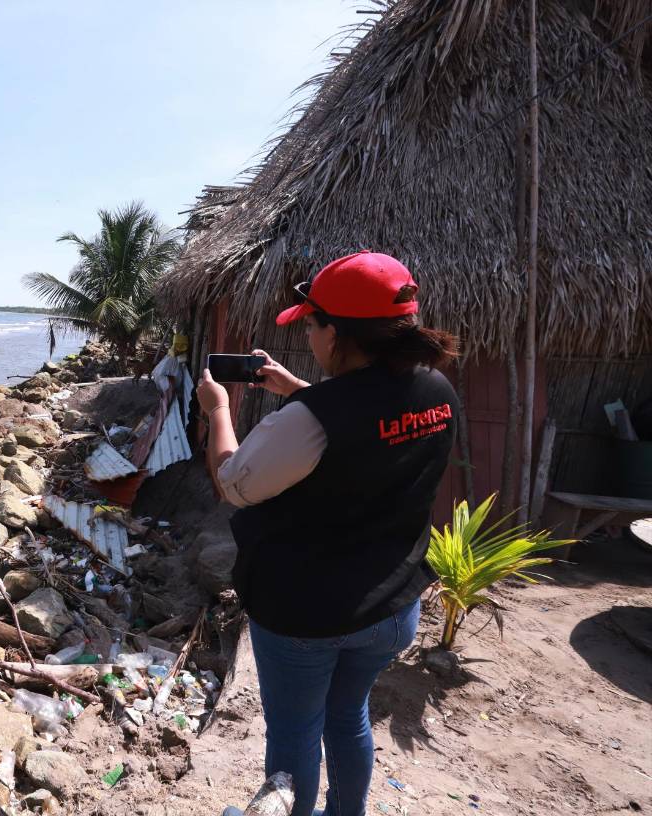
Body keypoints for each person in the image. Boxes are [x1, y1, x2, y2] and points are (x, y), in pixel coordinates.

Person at [198, 251, 460, 816]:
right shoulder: (436, 389)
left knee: (294, 736)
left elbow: (233, 483)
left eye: (313, 325)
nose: (310, 337)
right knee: (348, 718)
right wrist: (298, 389)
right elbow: (367, 428)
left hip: (307, 615)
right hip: (392, 606)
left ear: (338, 332)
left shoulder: (312, 418)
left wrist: (219, 410)